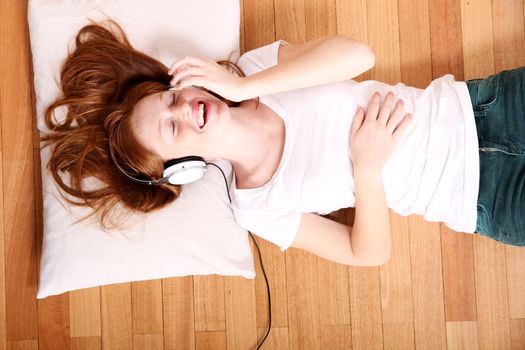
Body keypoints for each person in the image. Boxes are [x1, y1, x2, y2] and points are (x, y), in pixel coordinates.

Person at [43, 21, 524, 268]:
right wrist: (368, 171)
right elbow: (366, 253)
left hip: (484, 105)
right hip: (483, 198)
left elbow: (358, 55)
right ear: (184, 168)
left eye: (171, 98)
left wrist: (239, 89)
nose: (184, 110)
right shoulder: (257, 208)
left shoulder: (256, 71)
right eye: (172, 129)